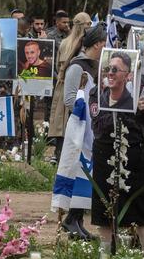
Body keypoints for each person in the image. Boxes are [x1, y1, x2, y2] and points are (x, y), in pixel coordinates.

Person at [90, 67, 144, 255]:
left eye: (122, 69)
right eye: (112, 69)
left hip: (137, 152)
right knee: (104, 207)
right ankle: (106, 253)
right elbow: (97, 123)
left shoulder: (142, 82)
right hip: (106, 153)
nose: (116, 74)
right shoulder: (100, 87)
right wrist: (120, 104)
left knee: (143, 206)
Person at [57, 24, 106, 240]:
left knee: (87, 174)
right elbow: (69, 98)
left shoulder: (97, 66)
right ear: (97, 44)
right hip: (79, 129)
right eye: (104, 43)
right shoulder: (77, 67)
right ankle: (70, 219)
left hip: (92, 130)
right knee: (78, 172)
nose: (106, 46)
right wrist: (86, 108)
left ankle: (77, 220)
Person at [49, 12, 92, 158]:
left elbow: (56, 66)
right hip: (77, 85)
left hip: (64, 84)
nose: (90, 26)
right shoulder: (83, 45)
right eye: (88, 24)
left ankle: (59, 153)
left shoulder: (64, 42)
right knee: (69, 119)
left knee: (63, 120)